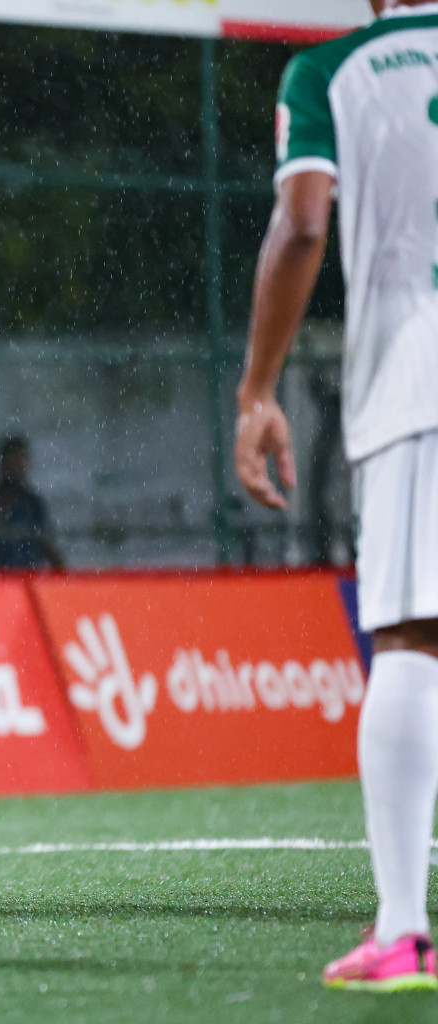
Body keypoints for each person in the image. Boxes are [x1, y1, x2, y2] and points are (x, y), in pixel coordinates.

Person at [238, 0, 438, 992]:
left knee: (411, 638)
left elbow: (303, 221)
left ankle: (403, 929)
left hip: (419, 381)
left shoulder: (331, 72)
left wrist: (258, 387)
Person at [0, 434, 63, 570]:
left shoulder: (33, 502)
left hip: (27, 577)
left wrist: (61, 572)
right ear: (1, 463)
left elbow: (45, 542)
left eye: (20, 462)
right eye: (11, 462)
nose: (15, 468)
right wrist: (0, 508)